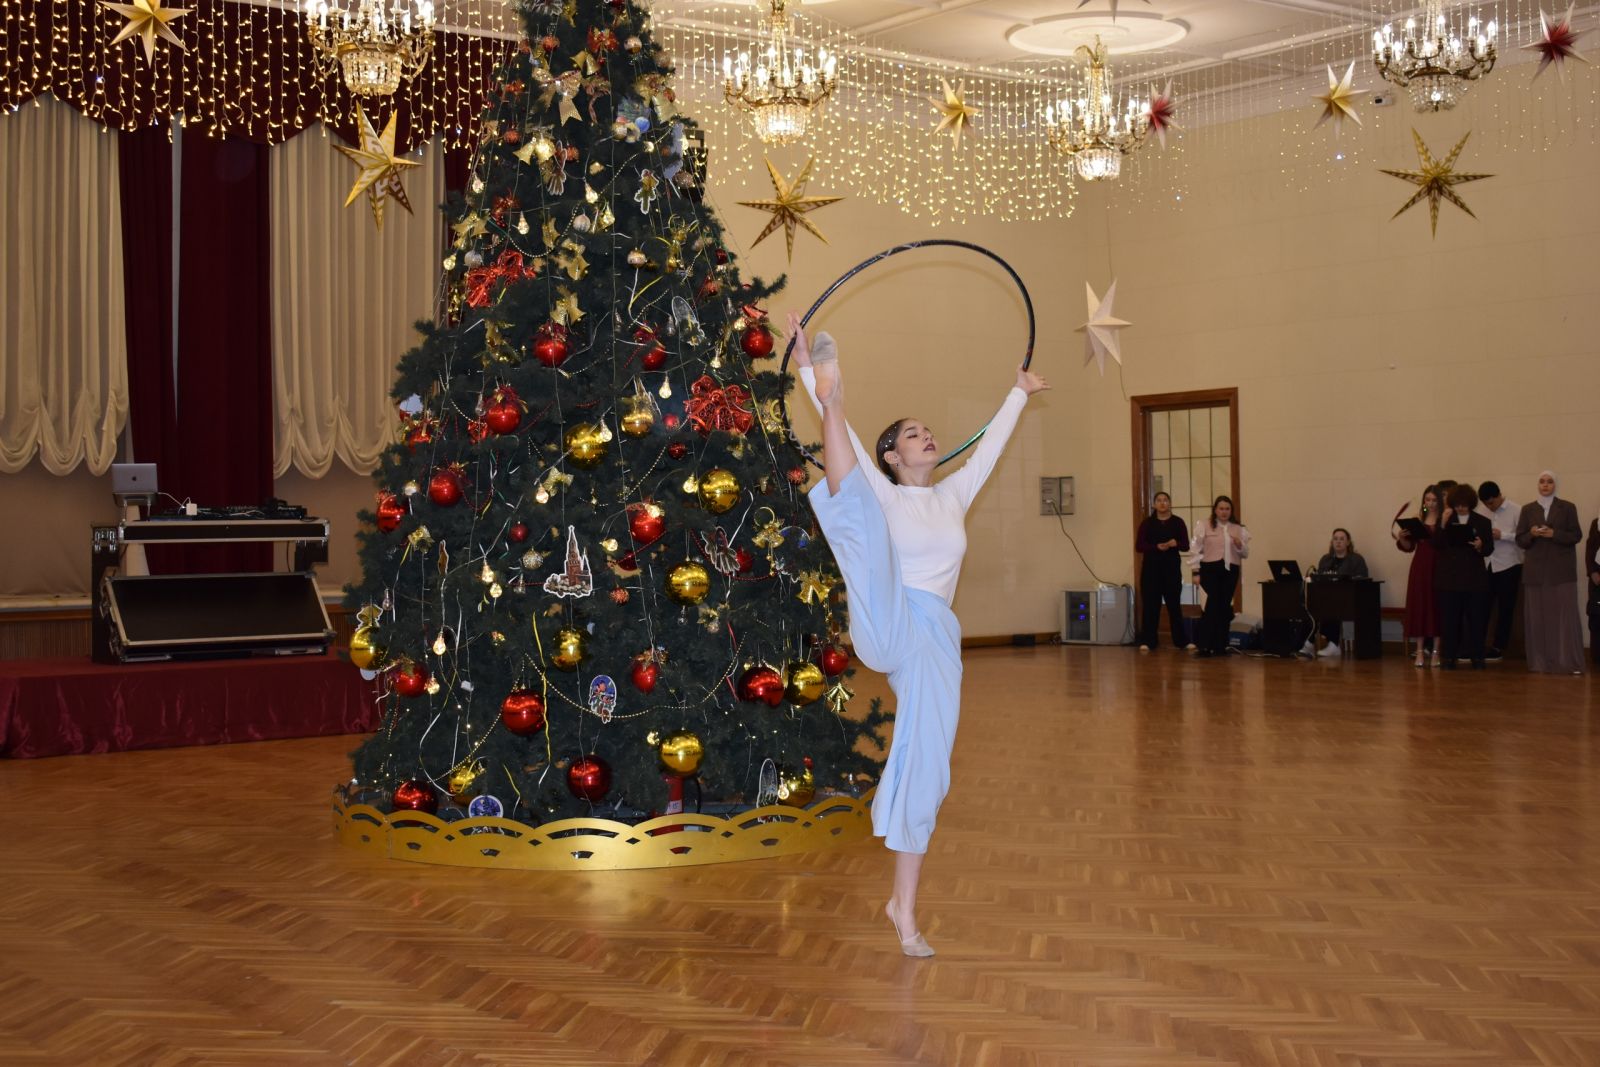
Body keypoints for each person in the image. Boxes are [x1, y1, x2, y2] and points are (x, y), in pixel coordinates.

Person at [788, 312, 1048, 956]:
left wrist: (1018, 393)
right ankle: (834, 392)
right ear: (892, 456)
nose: (926, 436)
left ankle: (902, 907)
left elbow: (988, 450)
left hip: (934, 637)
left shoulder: (952, 496)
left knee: (927, 766)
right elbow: (848, 448)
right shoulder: (885, 491)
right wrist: (811, 374)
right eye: (912, 433)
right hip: (886, 610)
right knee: (858, 507)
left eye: (928, 431)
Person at [1514, 471, 1585, 675]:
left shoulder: (1567, 507)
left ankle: (1567, 661)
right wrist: (1532, 534)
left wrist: (1555, 534)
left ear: (1555, 485)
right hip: (1535, 570)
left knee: (1564, 616)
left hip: (1561, 570)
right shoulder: (1528, 509)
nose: (1545, 485)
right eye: (1542, 482)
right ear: (1538, 485)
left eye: (1550, 482)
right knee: (1537, 617)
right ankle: (1539, 662)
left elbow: (1576, 535)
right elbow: (1520, 540)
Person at [1432, 484, 1494, 670]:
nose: (1460, 508)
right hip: (1449, 579)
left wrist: (1480, 546)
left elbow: (1489, 549)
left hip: (1474, 579)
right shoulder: (1445, 520)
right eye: (1457, 504)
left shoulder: (1482, 522)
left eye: (1464, 505)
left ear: (1471, 503)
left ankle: (1477, 657)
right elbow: (1436, 545)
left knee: (1476, 620)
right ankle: (1449, 657)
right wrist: (1442, 525)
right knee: (1450, 621)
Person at [1187, 496, 1250, 657]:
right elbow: (1195, 550)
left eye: (1227, 509)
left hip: (1230, 571)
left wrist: (1239, 545)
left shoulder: (1238, 528)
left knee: (1224, 607)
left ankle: (1220, 646)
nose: (1224, 512)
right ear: (1215, 510)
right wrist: (1195, 571)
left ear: (1231, 511)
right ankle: (1204, 646)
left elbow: (1245, 554)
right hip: (1210, 569)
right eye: (1221, 508)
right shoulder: (1204, 526)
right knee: (1211, 607)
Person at [1395, 485, 1443, 668]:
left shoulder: (1444, 519)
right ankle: (1420, 651)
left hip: (1440, 567)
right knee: (1420, 607)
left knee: (1437, 607)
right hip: (1421, 568)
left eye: (1434, 500)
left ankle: (1436, 652)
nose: (1430, 503)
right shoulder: (1418, 519)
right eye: (1427, 499)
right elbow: (1409, 547)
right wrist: (1402, 537)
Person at [1135, 492, 1189, 652]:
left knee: (1174, 606)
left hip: (1172, 570)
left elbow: (1186, 545)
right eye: (1159, 500)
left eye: (1165, 500)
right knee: (1150, 606)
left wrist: (1175, 543)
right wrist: (1155, 547)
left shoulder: (1178, 522)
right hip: (1151, 570)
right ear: (1154, 504)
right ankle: (1148, 641)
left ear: (1170, 503)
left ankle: (1181, 641)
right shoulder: (1147, 523)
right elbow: (1139, 546)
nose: (1162, 503)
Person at [1476, 480, 1524, 662]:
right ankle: (1478, 644)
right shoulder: (1482, 511)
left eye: (1492, 502)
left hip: (1509, 565)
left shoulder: (1516, 510)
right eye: (1486, 504)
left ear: (1499, 495)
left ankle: (1498, 647)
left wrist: (1502, 535)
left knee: (1506, 608)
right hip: (1488, 564)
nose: (1490, 507)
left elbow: (1523, 538)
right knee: (1482, 607)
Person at [1306, 528, 1368, 657]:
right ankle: (1308, 643)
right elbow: (1320, 578)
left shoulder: (1356, 559)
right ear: (1332, 542)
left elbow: (1363, 578)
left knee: (1332, 602)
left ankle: (1334, 644)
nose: (1338, 542)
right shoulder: (1326, 559)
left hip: (1351, 598)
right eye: (1335, 539)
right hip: (1327, 596)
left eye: (1341, 539)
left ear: (1348, 542)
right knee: (1310, 604)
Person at [1586, 506, 1600, 667]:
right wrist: (1592, 571)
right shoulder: (1596, 523)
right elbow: (1590, 549)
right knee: (1596, 617)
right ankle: (1597, 657)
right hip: (1597, 578)